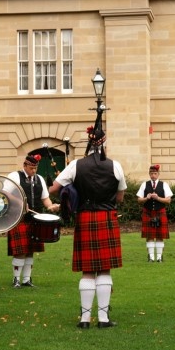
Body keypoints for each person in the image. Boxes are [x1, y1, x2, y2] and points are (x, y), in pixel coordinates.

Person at [49, 125, 127, 329]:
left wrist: (71, 196)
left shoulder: (75, 165)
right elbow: (120, 196)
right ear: (104, 145)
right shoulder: (115, 166)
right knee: (104, 270)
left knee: (87, 271)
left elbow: (55, 189)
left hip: (85, 217)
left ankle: (84, 320)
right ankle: (103, 319)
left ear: (89, 144)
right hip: (107, 216)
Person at [6, 154, 60, 288]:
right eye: (31, 168)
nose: (34, 171)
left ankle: (26, 280)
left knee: (30, 250)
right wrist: (21, 202)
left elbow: (45, 198)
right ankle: (16, 279)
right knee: (21, 250)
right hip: (19, 219)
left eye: (35, 168)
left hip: (35, 220)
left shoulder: (39, 179)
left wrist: (51, 206)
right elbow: (5, 193)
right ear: (24, 165)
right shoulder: (14, 176)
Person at [136, 164, 173, 262]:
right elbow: (139, 200)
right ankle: (151, 258)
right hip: (147, 212)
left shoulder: (164, 185)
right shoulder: (144, 184)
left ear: (158, 174)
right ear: (149, 174)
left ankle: (159, 257)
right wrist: (146, 198)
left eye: (155, 173)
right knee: (150, 236)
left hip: (160, 212)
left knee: (160, 235)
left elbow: (168, 200)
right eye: (151, 173)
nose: (153, 175)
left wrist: (158, 198)